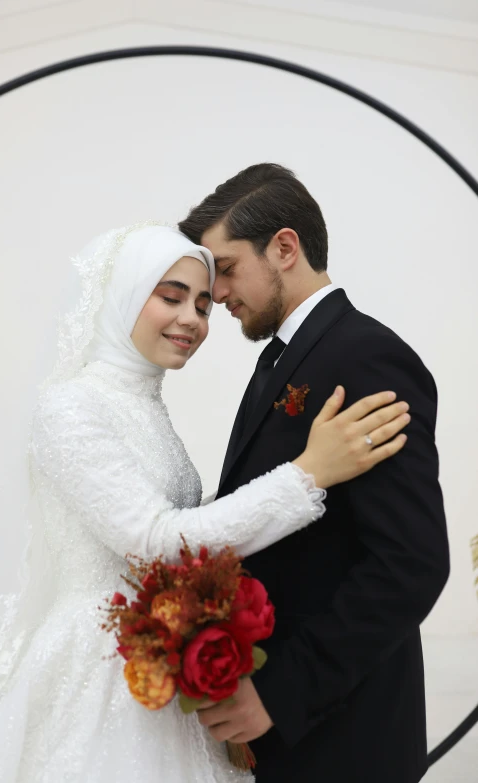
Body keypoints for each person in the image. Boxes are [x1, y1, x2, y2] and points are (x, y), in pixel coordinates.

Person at [0, 224, 408, 783]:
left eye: (202, 304)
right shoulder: (70, 408)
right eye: (170, 297)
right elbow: (154, 540)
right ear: (122, 296)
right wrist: (308, 475)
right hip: (102, 672)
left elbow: (182, 523)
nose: (193, 319)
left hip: (159, 660)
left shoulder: (144, 405)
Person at [179, 164, 450, 783]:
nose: (215, 295)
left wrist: (279, 692)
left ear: (283, 247)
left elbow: (411, 563)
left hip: (344, 737)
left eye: (226, 267)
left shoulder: (367, 357)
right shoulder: (287, 353)